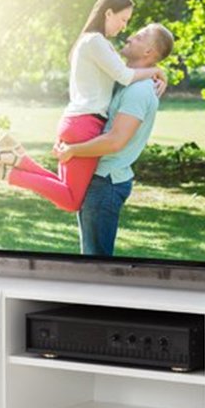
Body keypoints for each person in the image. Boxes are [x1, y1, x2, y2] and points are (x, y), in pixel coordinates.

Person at [0, 0, 166, 212]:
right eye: (123, 19)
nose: (124, 27)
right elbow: (125, 75)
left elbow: (121, 78)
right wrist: (156, 70)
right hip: (86, 123)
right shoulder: (95, 42)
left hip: (77, 121)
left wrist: (154, 73)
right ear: (108, 13)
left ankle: (13, 156)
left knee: (66, 190)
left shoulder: (91, 42)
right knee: (71, 200)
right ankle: (7, 171)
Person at [55, 23, 175, 255]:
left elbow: (115, 141)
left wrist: (73, 150)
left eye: (139, 37)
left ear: (149, 52)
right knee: (90, 256)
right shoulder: (125, 81)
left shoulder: (139, 91)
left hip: (106, 184)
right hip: (98, 178)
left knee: (96, 262)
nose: (130, 37)